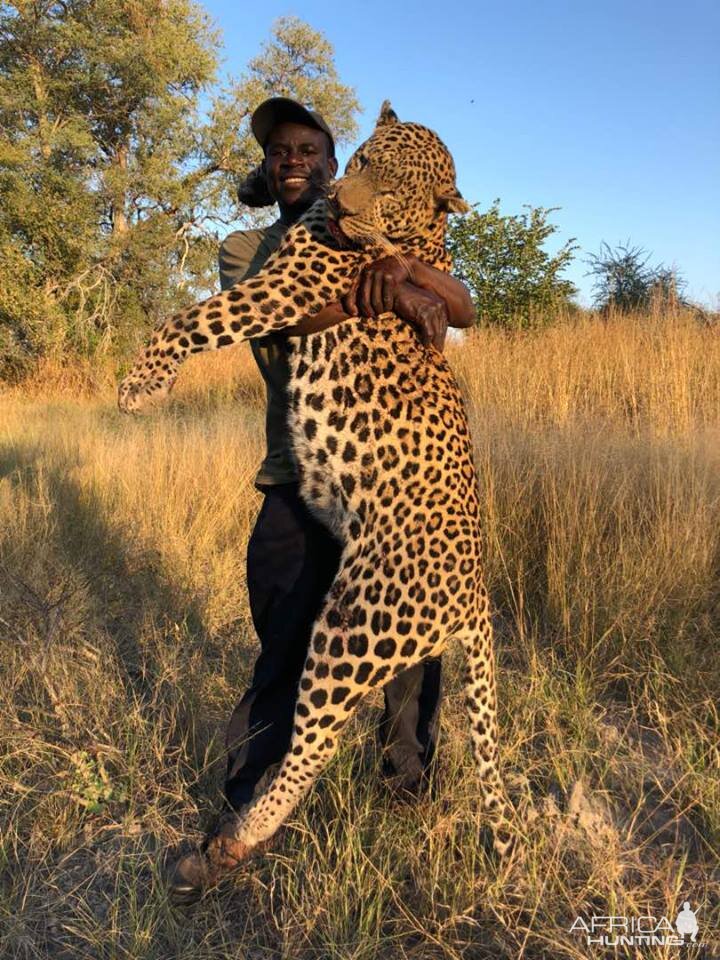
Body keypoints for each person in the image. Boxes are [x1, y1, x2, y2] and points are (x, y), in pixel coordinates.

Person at [219, 98, 477, 817]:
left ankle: (405, 789)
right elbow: (280, 309)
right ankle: (250, 798)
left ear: (339, 169)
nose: (292, 160)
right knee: (285, 643)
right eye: (279, 152)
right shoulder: (246, 249)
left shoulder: (378, 240)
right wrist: (386, 292)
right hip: (299, 479)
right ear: (268, 172)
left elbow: (461, 305)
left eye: (308, 150)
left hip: (393, 480)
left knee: (410, 643)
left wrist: (399, 277)